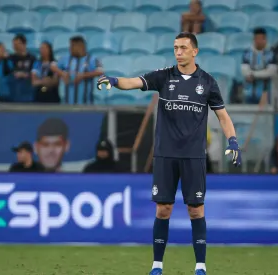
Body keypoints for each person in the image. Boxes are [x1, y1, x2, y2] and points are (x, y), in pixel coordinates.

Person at [97, 32, 242, 275]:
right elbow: (134, 82)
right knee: (163, 208)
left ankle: (200, 267)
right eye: (175, 47)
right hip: (165, 154)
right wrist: (113, 80)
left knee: (196, 209)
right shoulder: (164, 77)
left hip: (194, 156)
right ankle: (156, 266)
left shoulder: (207, 82)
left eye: (183, 47)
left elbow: (223, 115)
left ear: (194, 51)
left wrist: (233, 141)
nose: (178, 52)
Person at [51, 36, 103, 104]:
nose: (70, 48)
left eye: (72, 46)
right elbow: (52, 66)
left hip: (86, 104)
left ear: (80, 46)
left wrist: (83, 75)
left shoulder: (92, 59)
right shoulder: (65, 58)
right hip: (67, 103)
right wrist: (62, 74)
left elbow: (100, 71)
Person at [241, 28, 278, 106]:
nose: (259, 41)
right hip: (249, 93)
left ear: (265, 39)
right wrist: (261, 73)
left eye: (261, 39)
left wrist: (253, 75)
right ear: (254, 39)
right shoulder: (247, 53)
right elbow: (244, 70)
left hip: (266, 94)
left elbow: (271, 72)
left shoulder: (271, 53)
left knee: (265, 117)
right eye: (257, 39)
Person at [9, 34, 36, 102]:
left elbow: (36, 73)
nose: (15, 47)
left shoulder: (32, 58)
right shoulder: (10, 58)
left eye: (17, 45)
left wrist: (25, 75)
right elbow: (7, 72)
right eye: (14, 45)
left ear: (24, 44)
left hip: (28, 93)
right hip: (13, 93)